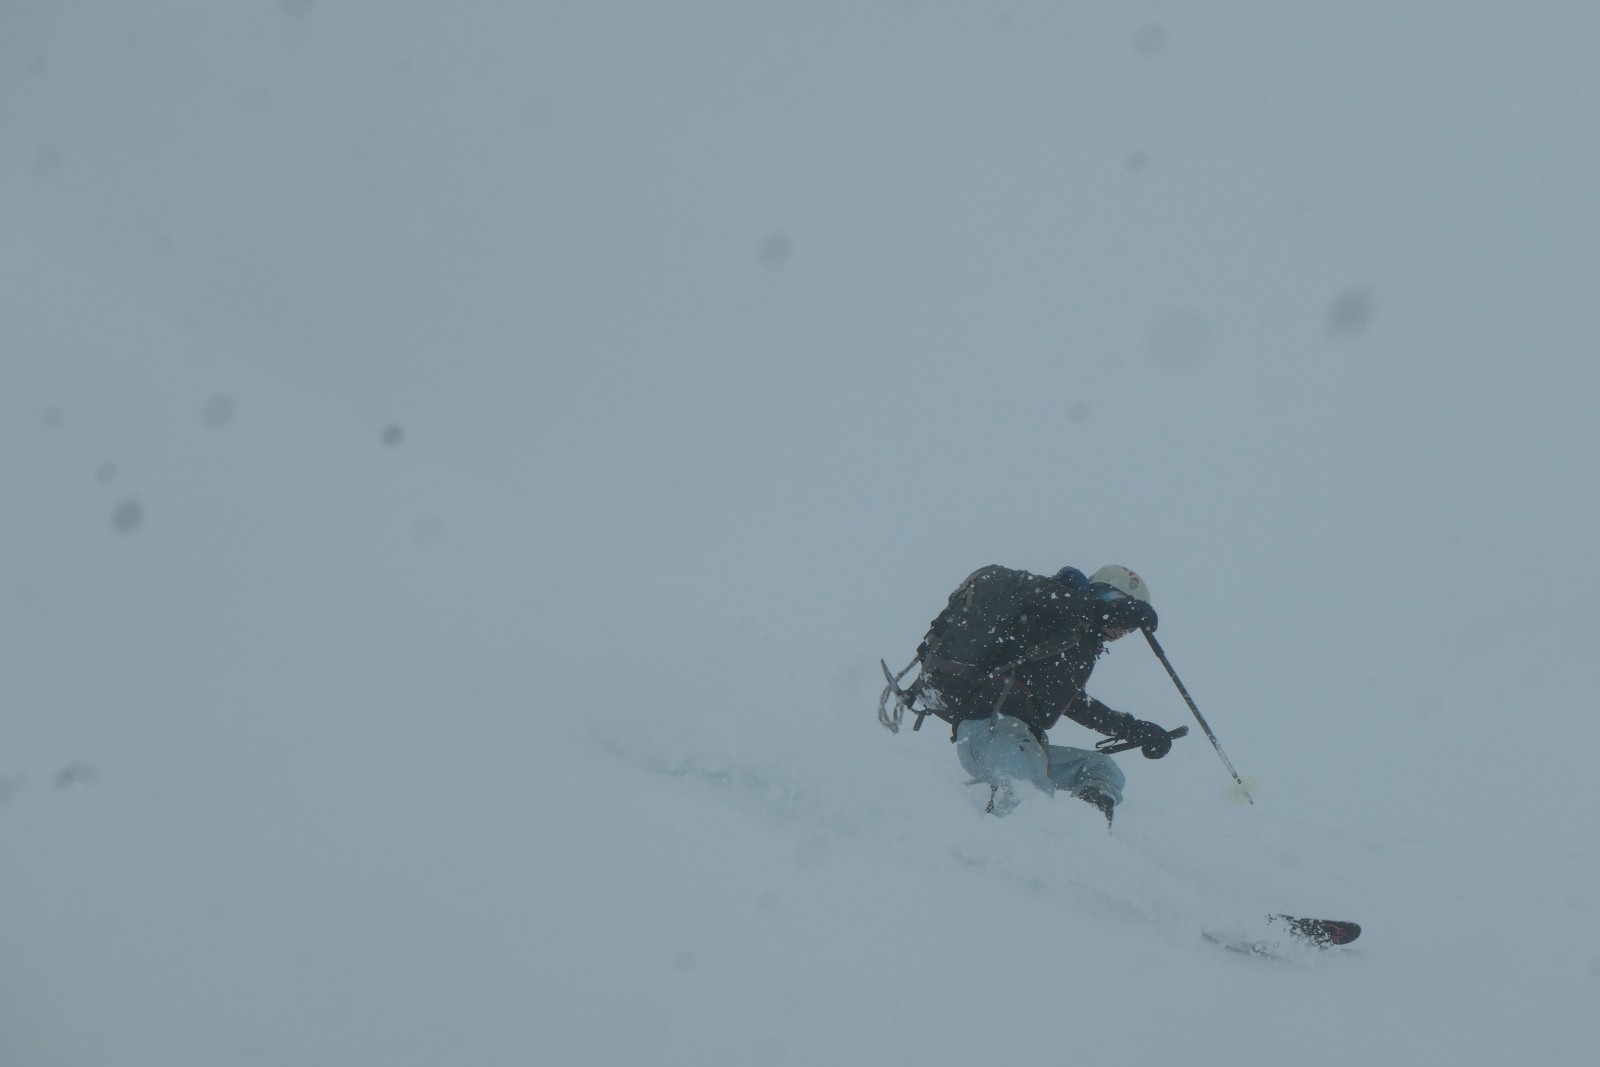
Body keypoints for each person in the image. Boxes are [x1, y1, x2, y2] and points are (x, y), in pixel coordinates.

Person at [901, 563, 1180, 826]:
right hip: (990, 731)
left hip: (1024, 743)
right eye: (1121, 605)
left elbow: (1076, 704)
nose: (1124, 628)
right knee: (1029, 798)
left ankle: (1084, 838)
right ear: (1098, 594)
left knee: (1101, 770)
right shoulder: (1050, 607)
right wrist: (1097, 610)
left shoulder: (1074, 646)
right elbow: (1042, 596)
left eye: (1131, 625)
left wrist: (1133, 729)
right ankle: (1006, 857)